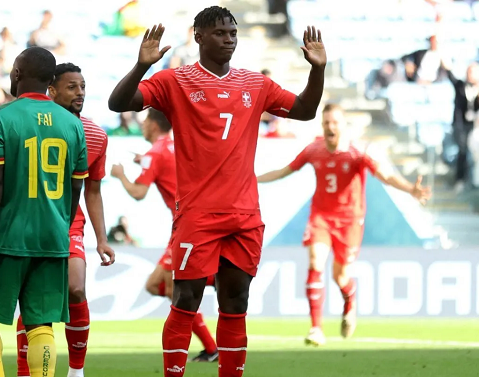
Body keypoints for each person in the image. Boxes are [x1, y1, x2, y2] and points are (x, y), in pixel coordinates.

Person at [107, 6, 327, 376]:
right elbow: (118, 103)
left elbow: (304, 110)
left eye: (233, 33)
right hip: (198, 216)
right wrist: (142, 65)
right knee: (186, 299)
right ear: (199, 36)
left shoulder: (255, 84)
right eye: (221, 33)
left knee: (235, 301)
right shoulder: (174, 81)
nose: (229, 38)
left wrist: (317, 70)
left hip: (244, 215)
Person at [0, 61, 115, 377]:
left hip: (10, 233)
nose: (80, 92)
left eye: (83, 86)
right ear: (50, 86)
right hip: (54, 232)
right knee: (40, 321)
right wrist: (61, 226)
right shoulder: (73, 128)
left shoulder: (3, 117)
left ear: (17, 74)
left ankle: (71, 370)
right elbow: (76, 187)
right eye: (72, 86)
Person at [257, 104, 431, 346]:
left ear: (343, 126)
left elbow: (386, 176)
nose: (330, 127)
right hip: (321, 217)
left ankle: (350, 300)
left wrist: (410, 189)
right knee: (316, 262)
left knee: (341, 277)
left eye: (334, 123)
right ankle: (316, 328)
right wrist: (253, 179)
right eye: (327, 122)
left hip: (350, 221)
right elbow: (285, 171)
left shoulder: (357, 153)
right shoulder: (314, 150)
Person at [110, 108, 219, 362]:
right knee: (154, 285)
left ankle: (212, 346)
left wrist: (121, 174)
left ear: (154, 125)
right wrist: (145, 160)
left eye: (145, 121)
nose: (143, 125)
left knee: (174, 286)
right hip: (193, 222)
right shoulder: (176, 145)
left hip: (187, 224)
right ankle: (212, 282)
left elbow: (138, 193)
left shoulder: (154, 153)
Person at [440, 59, 479, 193]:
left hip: (475, 127)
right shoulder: (460, 86)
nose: (470, 74)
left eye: (473, 72)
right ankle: (460, 180)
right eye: (469, 71)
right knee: (462, 150)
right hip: (461, 125)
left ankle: (475, 181)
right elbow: (451, 76)